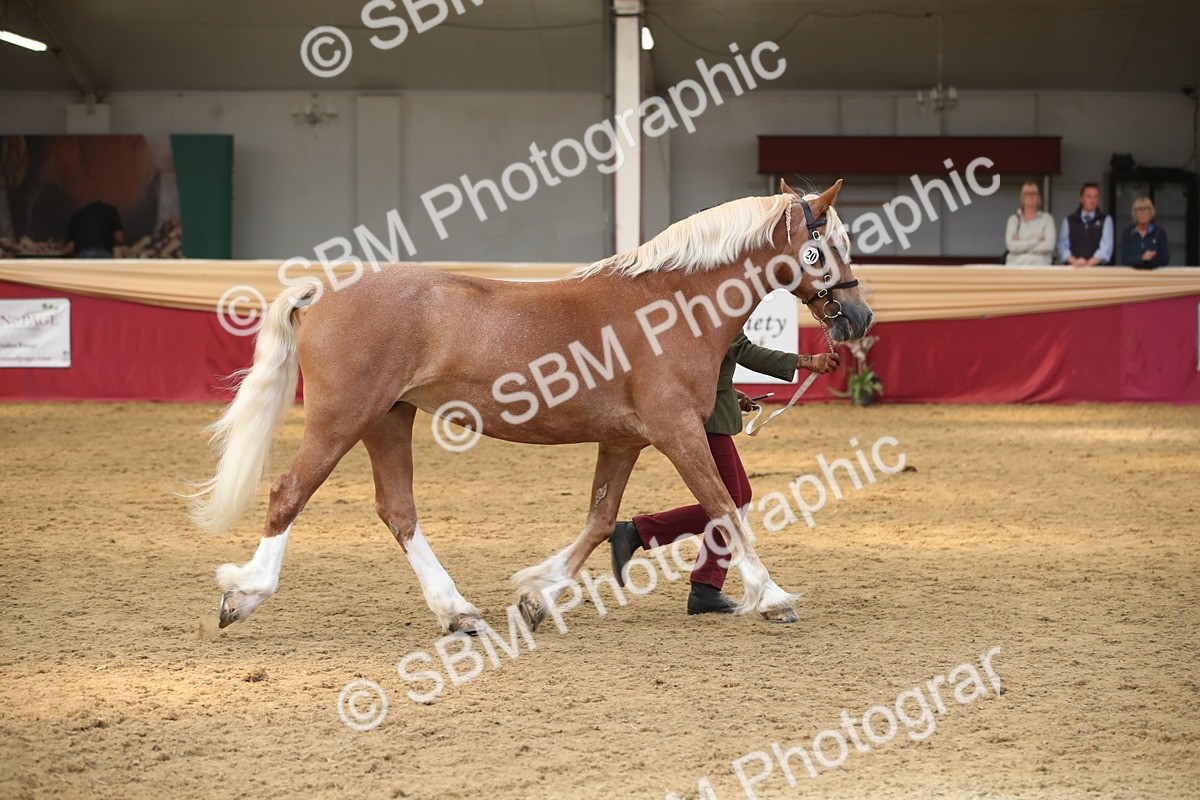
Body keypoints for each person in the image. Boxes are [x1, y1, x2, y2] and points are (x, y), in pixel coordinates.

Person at [609, 332, 840, 615]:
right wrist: (807, 361)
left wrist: (731, 394)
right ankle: (639, 534)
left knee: (738, 497)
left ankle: (703, 584)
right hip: (703, 415)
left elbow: (712, 360)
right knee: (732, 501)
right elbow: (742, 350)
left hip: (706, 406)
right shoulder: (712, 305)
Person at [1057, 183, 1113, 266]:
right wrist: (1075, 262)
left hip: (1097, 269)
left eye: (1095, 197)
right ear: (1081, 199)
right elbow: (1062, 247)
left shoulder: (1105, 219)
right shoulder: (1069, 220)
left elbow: (1106, 248)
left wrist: (1088, 263)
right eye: (1089, 196)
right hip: (1073, 269)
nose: (1092, 200)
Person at [1005, 182, 1056, 265]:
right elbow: (1011, 246)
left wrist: (1021, 246)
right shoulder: (1013, 220)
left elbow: (1049, 246)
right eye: (1027, 193)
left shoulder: (1047, 219)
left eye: (1034, 193)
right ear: (1022, 197)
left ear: (1039, 197)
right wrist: (1036, 241)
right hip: (1016, 267)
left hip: (1040, 267)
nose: (1031, 196)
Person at [1119, 197, 1169, 269]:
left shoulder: (1159, 232)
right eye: (1139, 209)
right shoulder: (1127, 233)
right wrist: (1142, 258)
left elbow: (1165, 259)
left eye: (1146, 209)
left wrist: (1150, 259)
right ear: (1135, 213)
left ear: (1151, 212)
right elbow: (1125, 260)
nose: (1142, 213)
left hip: (1154, 276)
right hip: (1133, 277)